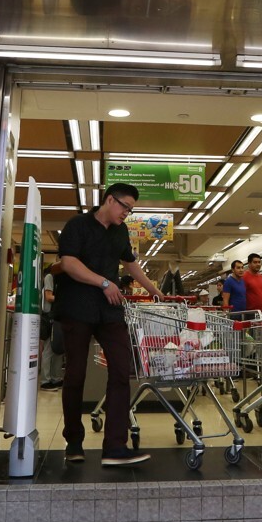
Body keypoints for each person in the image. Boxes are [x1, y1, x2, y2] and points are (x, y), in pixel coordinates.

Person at [56, 183, 164, 467]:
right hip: (77, 307)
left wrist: (154, 290)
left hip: (109, 310)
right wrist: (103, 282)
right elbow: (68, 263)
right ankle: (74, 441)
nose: (127, 213)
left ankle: (115, 446)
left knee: (120, 368)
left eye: (131, 209)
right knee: (75, 375)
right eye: (125, 207)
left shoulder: (120, 231)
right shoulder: (77, 225)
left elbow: (130, 264)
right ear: (108, 199)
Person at [40, 262, 64, 390]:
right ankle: (45, 380)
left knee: (58, 348)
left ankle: (55, 378)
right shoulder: (50, 277)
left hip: (57, 317)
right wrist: (64, 298)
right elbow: (48, 297)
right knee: (49, 349)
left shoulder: (59, 279)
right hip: (50, 317)